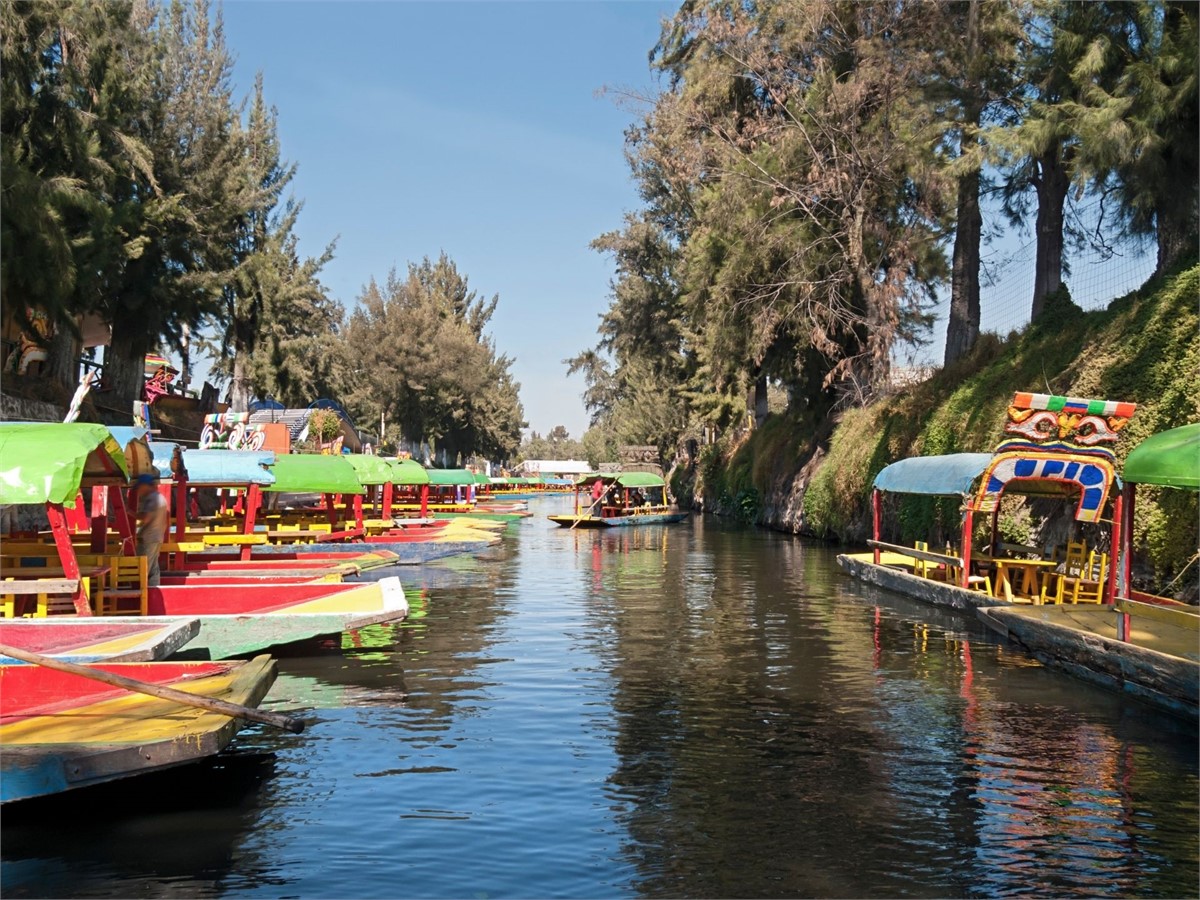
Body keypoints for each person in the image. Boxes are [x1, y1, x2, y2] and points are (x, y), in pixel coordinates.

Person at [135, 474, 168, 587]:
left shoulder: (152, 499)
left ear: (145, 486)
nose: (138, 491)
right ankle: (153, 591)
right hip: (157, 537)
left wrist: (129, 513)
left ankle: (143, 595)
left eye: (139, 487)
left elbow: (146, 517)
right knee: (154, 567)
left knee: (144, 568)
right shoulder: (160, 498)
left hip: (149, 538)